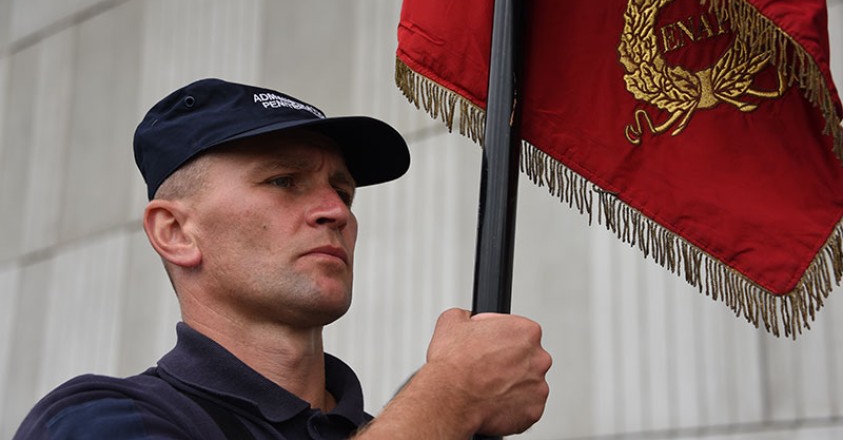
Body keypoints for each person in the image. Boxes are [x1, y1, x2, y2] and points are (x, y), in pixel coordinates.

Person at [14, 78, 551, 439]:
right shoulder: (96, 418)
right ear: (175, 231)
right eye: (284, 181)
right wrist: (452, 395)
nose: (333, 211)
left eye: (343, 190)